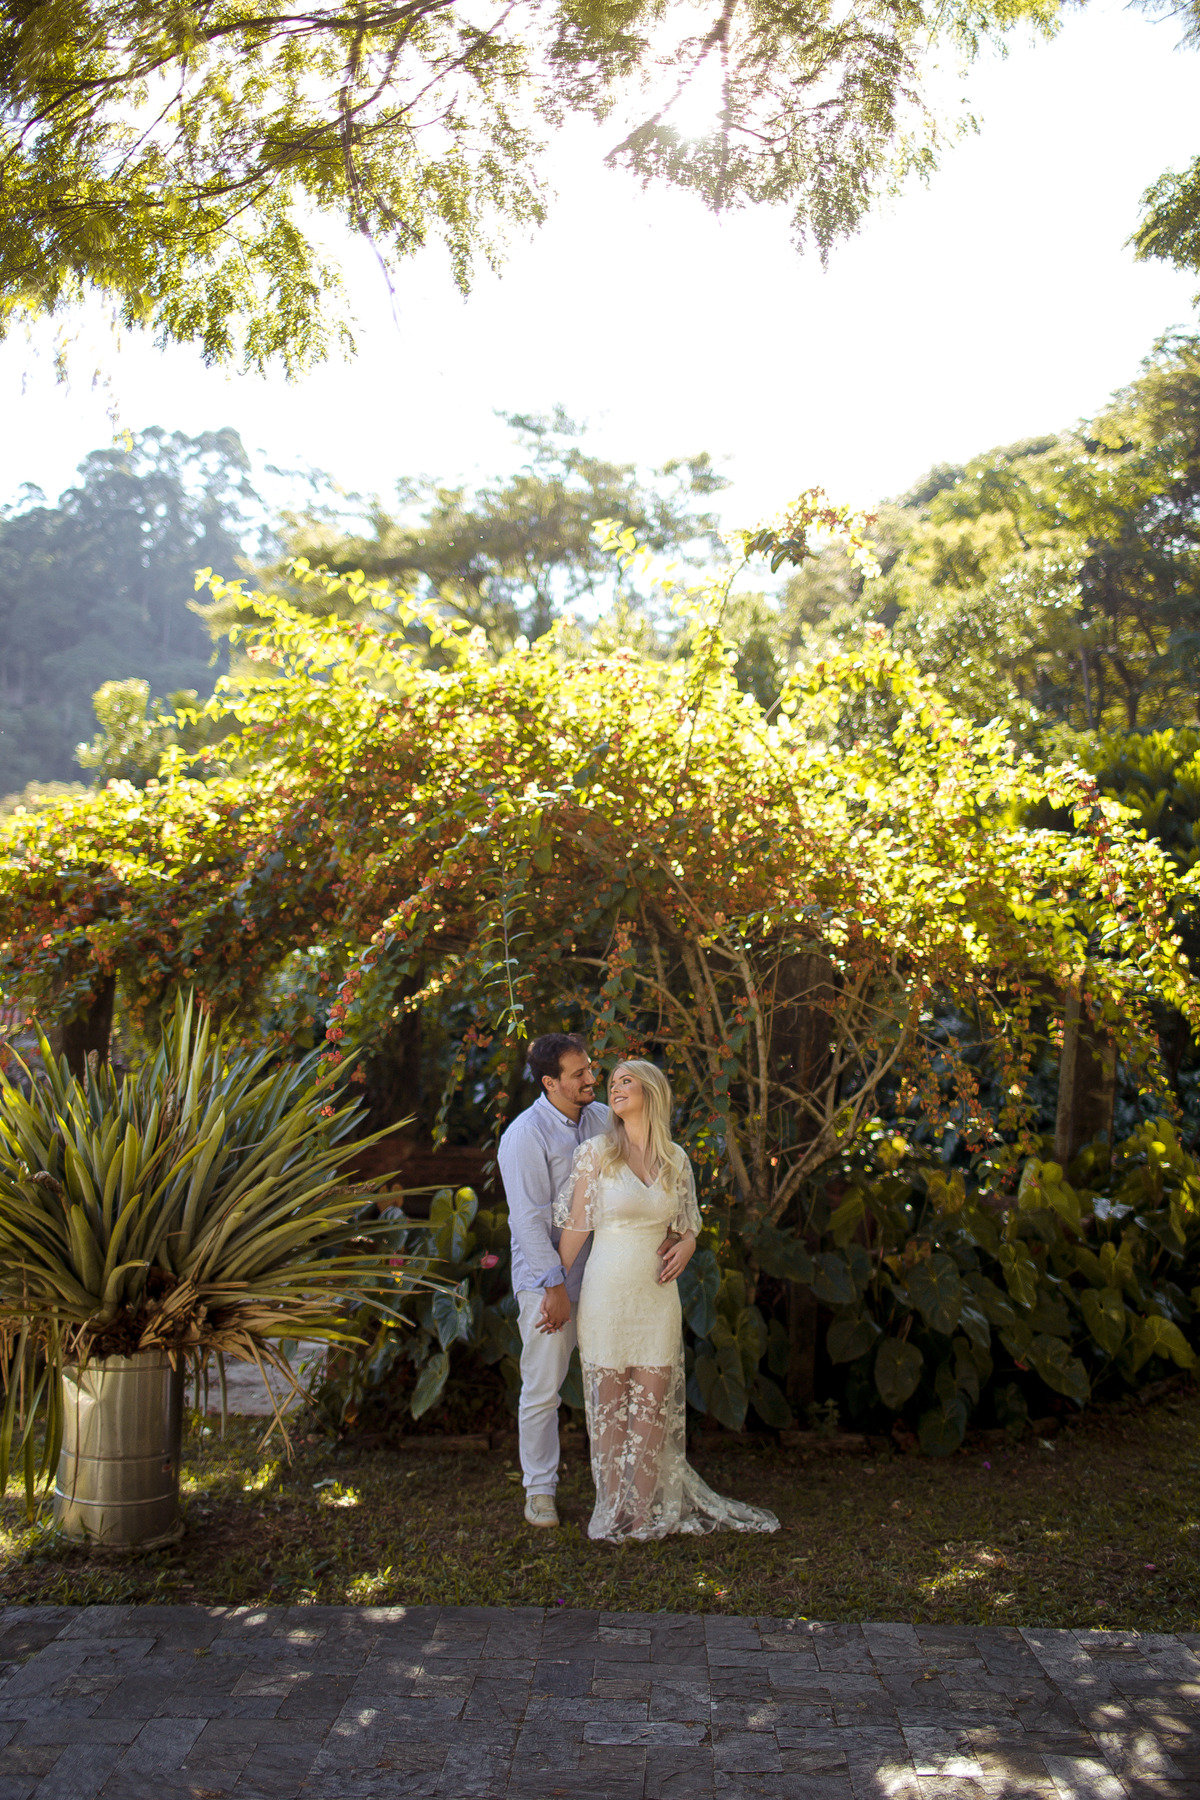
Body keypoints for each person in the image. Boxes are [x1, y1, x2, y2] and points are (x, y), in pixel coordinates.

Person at [554, 1059, 780, 1543]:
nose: (614, 1088)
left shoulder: (676, 1158)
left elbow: (687, 1225)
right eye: (611, 1083)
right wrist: (550, 1287)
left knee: (651, 1409)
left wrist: (687, 1244)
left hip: (657, 1299)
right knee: (609, 1409)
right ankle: (612, 1513)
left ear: (651, 1091)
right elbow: (575, 1231)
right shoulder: (596, 1154)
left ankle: (641, 1516)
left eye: (625, 1081)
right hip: (606, 1296)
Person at [496, 1032, 610, 1528]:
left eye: (590, 1068)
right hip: (547, 1282)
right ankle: (540, 1490)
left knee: (610, 1381)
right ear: (550, 1082)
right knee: (543, 1388)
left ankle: (618, 1482)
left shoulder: (605, 1118)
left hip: (607, 1274)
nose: (591, 1078)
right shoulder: (526, 1135)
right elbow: (527, 1220)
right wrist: (555, 1288)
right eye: (579, 1073)